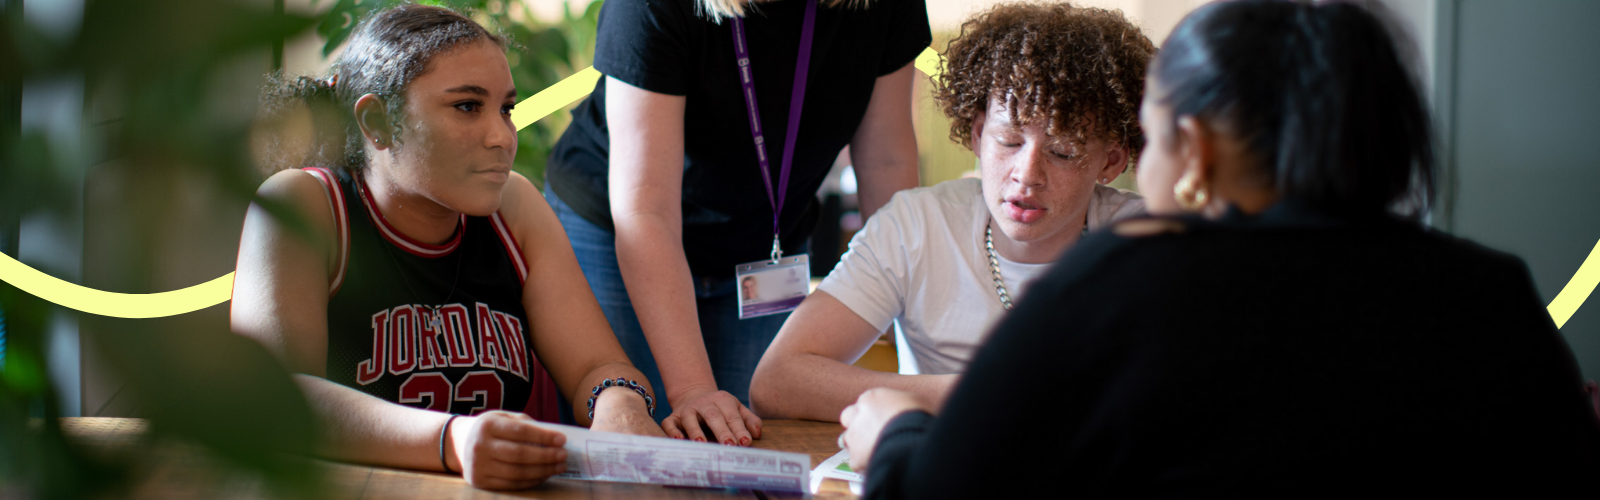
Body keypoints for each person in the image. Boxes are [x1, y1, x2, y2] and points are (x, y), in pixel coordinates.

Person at [837, 1, 1600, 497]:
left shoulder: (1123, 283)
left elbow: (946, 484)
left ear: (1195, 152)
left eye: (1150, 135)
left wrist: (891, 433)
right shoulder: (1491, 292)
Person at [233, 5, 664, 491]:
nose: (503, 137)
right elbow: (271, 399)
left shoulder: (514, 208)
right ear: (377, 121)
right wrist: (452, 441)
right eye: (467, 106)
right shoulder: (305, 205)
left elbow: (596, 367)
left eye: (506, 109)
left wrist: (619, 403)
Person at [543, 0, 930, 445]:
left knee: (750, 444)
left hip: (768, 242)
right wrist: (693, 389)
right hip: (618, 231)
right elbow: (646, 212)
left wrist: (917, 331)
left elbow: (886, 161)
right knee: (639, 447)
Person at [749, 2, 1151, 421]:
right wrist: (987, 393)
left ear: (1111, 162)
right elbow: (776, 382)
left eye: (1063, 153)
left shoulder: (1149, 242)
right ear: (977, 135)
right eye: (1009, 142)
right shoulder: (915, 226)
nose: (1027, 175)